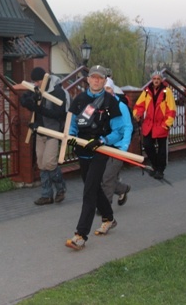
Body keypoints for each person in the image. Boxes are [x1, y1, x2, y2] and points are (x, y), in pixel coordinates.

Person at [65, 65, 126, 251]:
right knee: (92, 186)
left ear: (105, 80)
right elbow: (72, 124)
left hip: (101, 150)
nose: (96, 80)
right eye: (93, 77)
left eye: (100, 78)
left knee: (89, 190)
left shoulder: (110, 102)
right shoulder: (80, 100)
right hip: (83, 150)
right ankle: (109, 218)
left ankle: (81, 235)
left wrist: (103, 140)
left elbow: (119, 131)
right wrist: (72, 139)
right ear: (88, 79)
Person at [20, 67, 67, 206]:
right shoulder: (35, 88)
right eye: (34, 81)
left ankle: (60, 188)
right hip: (39, 131)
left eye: (38, 81)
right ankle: (46, 195)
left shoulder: (58, 92)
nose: (36, 84)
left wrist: (38, 108)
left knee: (49, 163)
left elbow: (59, 114)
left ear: (45, 79)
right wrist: (29, 101)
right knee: (41, 163)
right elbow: (23, 99)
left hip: (53, 131)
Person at [133, 71, 177, 180]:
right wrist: (137, 114)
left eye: (158, 78)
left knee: (162, 150)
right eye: (154, 78)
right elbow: (139, 105)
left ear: (161, 80)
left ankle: (160, 170)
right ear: (152, 80)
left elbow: (171, 109)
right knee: (147, 145)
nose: (156, 80)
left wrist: (166, 124)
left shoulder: (167, 92)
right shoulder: (147, 91)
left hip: (161, 124)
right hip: (149, 124)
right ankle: (155, 165)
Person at [100, 77, 132, 207]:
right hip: (105, 146)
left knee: (107, 177)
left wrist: (124, 147)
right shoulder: (99, 104)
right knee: (104, 177)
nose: (105, 91)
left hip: (118, 147)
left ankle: (105, 207)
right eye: (103, 88)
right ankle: (122, 189)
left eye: (108, 88)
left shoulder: (120, 106)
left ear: (112, 90)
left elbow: (127, 127)